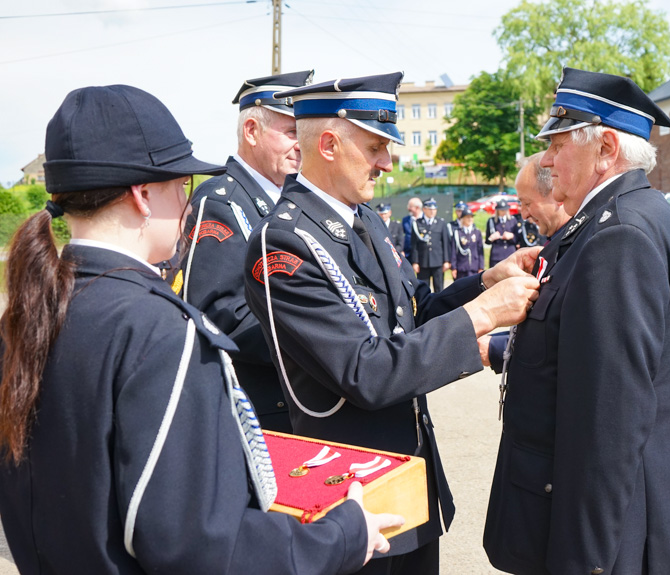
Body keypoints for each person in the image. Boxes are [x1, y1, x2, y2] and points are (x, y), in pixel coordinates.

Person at [0, 84, 400, 574]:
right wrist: (343, 535)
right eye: (180, 184)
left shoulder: (27, 315)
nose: (187, 200)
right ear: (143, 196)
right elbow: (200, 545)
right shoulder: (159, 331)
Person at [242, 72, 540, 575]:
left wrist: (485, 283)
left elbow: (414, 314)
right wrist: (485, 314)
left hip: (410, 483)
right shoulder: (284, 244)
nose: (387, 162)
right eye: (377, 146)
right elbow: (366, 371)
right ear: (331, 144)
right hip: (349, 499)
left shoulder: (368, 220)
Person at [483, 67, 670, 575]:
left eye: (557, 145)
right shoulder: (616, 217)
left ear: (606, 150)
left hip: (601, 536)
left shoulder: (619, 236)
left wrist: (588, 561)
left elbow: (611, 424)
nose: (548, 160)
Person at [177, 71, 314, 433]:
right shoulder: (221, 202)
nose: (302, 144)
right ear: (251, 131)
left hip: (300, 402)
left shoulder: (296, 202)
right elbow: (218, 315)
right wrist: (318, 341)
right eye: (290, 132)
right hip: (261, 412)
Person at [485, 151, 572, 374]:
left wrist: (496, 348)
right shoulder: (555, 243)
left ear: (556, 192)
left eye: (527, 203)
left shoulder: (578, 248)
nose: (523, 215)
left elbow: (566, 337)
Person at [410, 198, 450, 292]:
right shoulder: (417, 223)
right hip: (423, 261)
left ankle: (439, 306)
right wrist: (415, 262)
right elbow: (414, 245)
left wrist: (446, 260)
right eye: (430, 209)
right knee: (423, 288)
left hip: (438, 261)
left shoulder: (441, 223)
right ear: (424, 209)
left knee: (439, 288)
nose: (432, 211)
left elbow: (445, 243)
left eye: (434, 209)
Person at [450, 207, 484, 279]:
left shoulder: (477, 232)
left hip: (474, 267)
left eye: (471, 217)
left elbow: (480, 251)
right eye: (467, 217)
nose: (470, 219)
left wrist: (481, 267)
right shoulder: (457, 233)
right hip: (461, 268)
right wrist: (453, 267)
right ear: (462, 219)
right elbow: (453, 251)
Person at [486, 199, 520, 267]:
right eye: (501, 210)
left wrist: (512, 236)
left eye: (505, 210)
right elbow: (487, 241)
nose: (503, 212)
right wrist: (491, 238)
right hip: (496, 255)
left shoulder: (512, 220)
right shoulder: (491, 221)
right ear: (497, 211)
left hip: (510, 253)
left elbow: (518, 239)